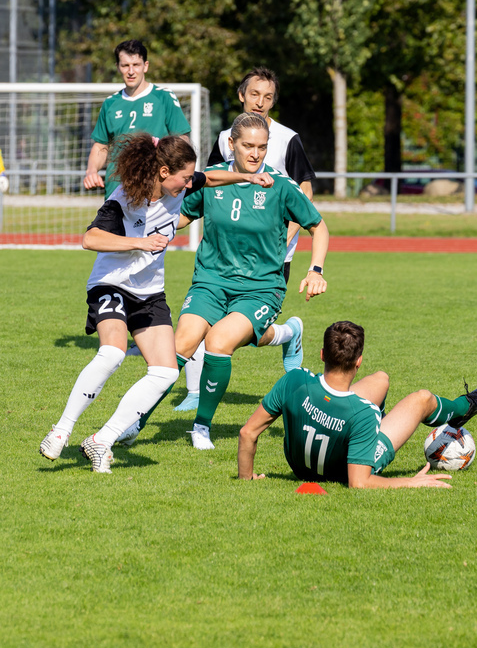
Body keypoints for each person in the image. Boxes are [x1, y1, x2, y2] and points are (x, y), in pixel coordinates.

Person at [40, 132, 274, 473]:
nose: (189, 184)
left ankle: (102, 440)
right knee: (112, 353)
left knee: (165, 372)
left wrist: (247, 177)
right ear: (164, 172)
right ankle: (61, 430)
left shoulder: (180, 185)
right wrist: (140, 242)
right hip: (111, 285)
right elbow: (90, 238)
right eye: (184, 178)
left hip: (150, 293)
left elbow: (210, 178)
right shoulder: (125, 198)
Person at [119, 112, 329, 451]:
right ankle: (134, 423)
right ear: (231, 144)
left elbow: (319, 226)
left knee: (217, 342)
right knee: (179, 345)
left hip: (261, 287)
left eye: (262, 147)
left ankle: (201, 426)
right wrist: (143, 228)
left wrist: (315, 270)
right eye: (248, 146)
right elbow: (180, 216)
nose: (255, 154)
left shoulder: (280, 185)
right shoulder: (210, 180)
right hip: (211, 281)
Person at [177, 66, 316, 412]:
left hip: (271, 254)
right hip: (223, 258)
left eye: (268, 97)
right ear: (242, 95)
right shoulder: (226, 136)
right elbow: (211, 184)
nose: (260, 102)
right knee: (209, 327)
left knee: (241, 332)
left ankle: (286, 334)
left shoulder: (288, 138)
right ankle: (194, 393)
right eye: (254, 94)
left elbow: (305, 193)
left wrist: (283, 240)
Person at [238, 320, 477, 488]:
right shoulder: (363, 413)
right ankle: (463, 408)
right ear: (358, 362)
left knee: (381, 379)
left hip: (300, 466)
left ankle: (363, 436)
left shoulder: (293, 380)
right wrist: (410, 482)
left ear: (323, 354)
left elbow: (247, 433)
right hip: (341, 471)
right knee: (422, 399)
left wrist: (246, 477)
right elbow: (359, 482)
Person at [84, 39, 191, 198]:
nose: (131, 71)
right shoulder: (110, 103)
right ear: (118, 67)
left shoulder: (163, 97)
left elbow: (182, 139)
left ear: (145, 66)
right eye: (125, 65)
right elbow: (101, 146)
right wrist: (91, 171)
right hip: (117, 189)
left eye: (136, 65)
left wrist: (177, 170)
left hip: (155, 188)